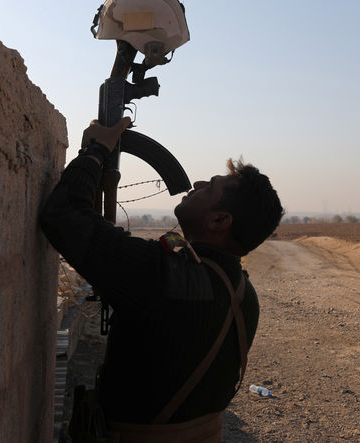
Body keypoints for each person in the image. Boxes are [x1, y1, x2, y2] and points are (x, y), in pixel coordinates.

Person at [41, 118, 284, 442]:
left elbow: (63, 215)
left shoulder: (167, 276)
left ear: (219, 220)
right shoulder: (243, 292)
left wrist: (97, 150)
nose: (196, 184)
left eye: (209, 187)